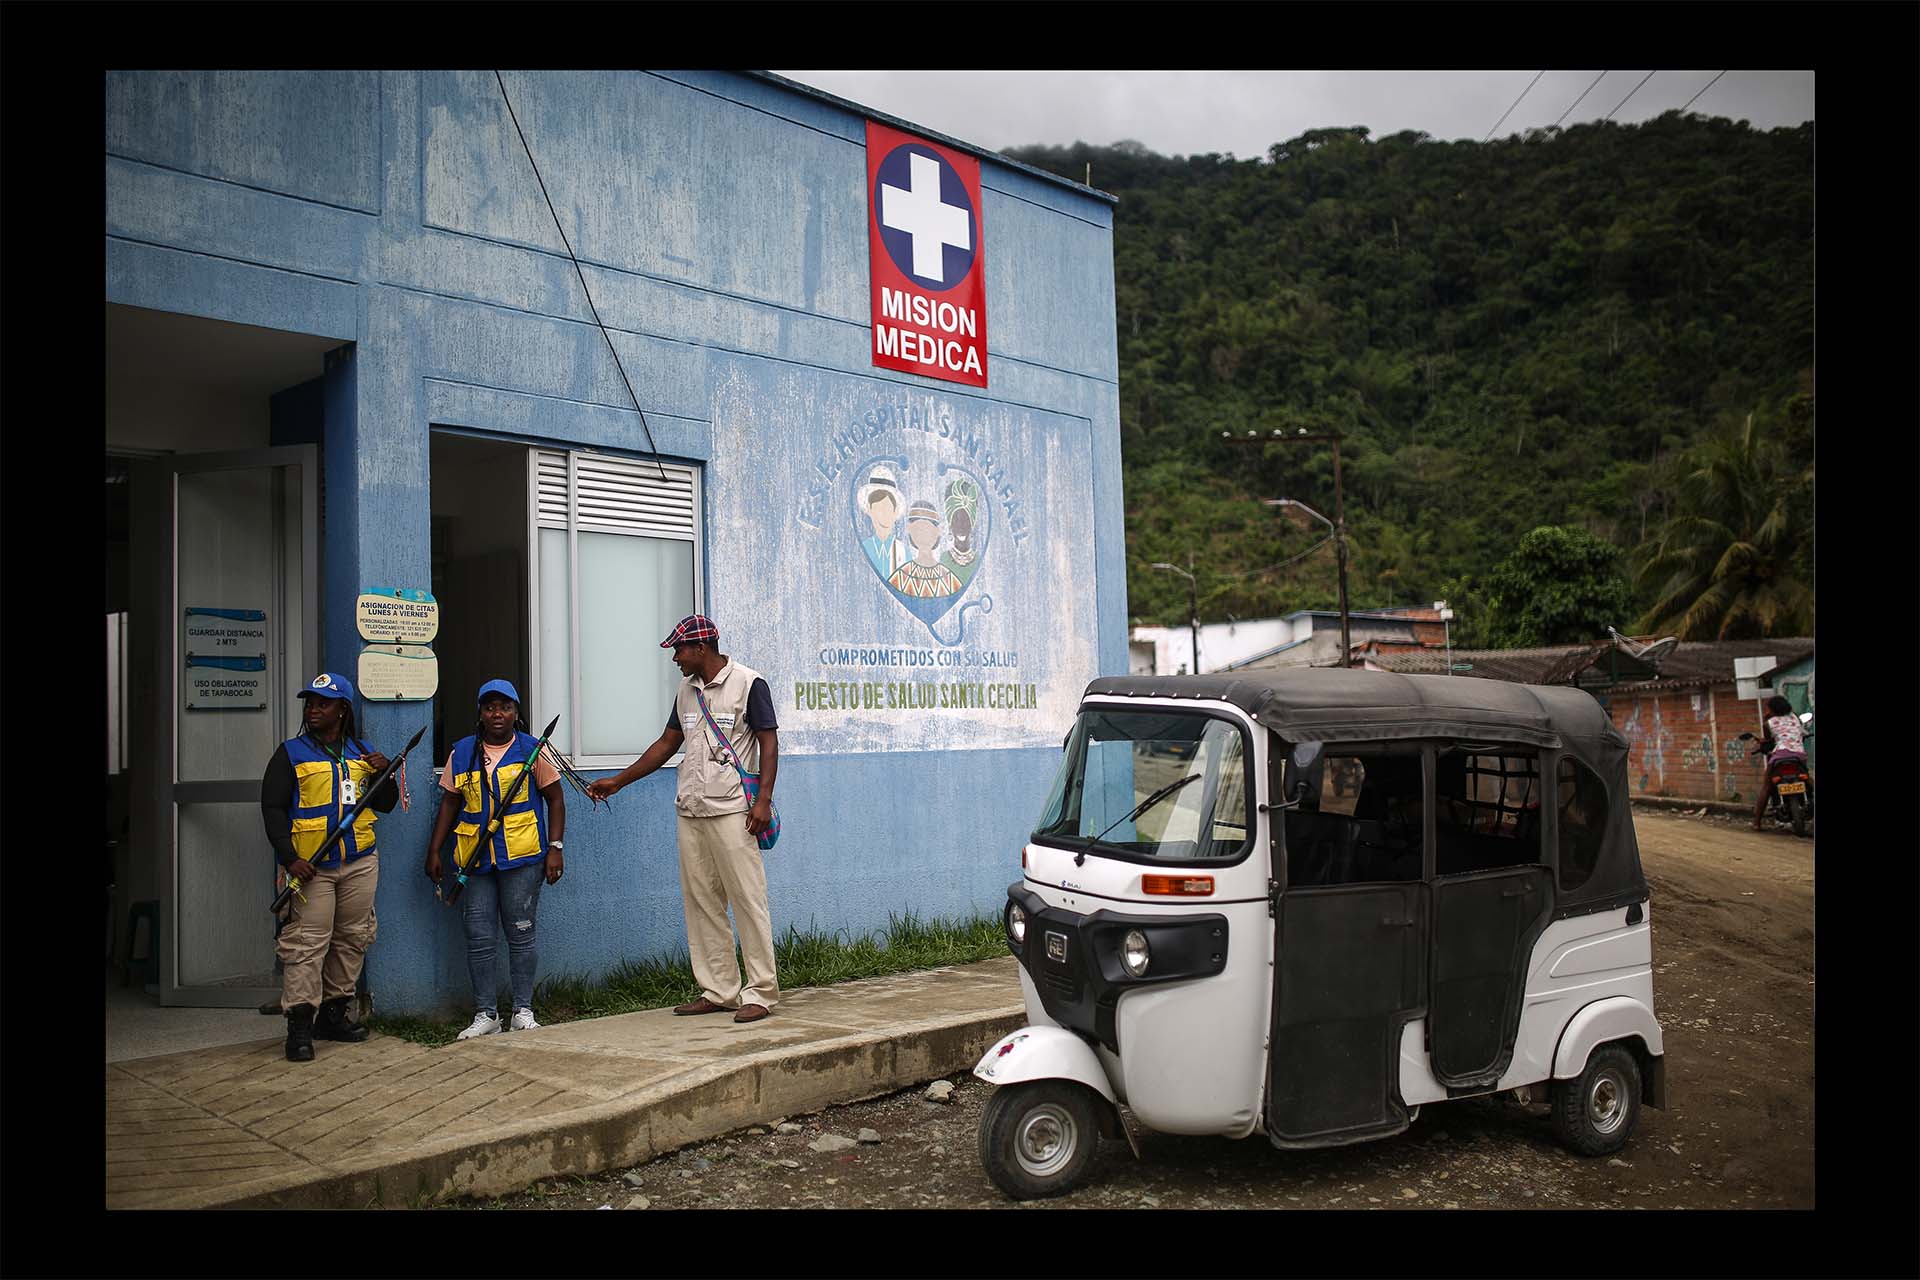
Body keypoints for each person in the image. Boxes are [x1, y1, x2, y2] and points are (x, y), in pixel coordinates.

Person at [587, 615, 780, 1023]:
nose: (675, 658)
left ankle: (760, 992)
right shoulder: (686, 690)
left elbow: (768, 740)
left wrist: (763, 800)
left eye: (679, 650)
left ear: (702, 648)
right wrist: (619, 781)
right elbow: (667, 743)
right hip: (691, 809)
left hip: (733, 810)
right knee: (702, 903)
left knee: (747, 901)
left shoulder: (748, 683)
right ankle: (719, 990)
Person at [259, 672, 396, 1063]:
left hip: (358, 862)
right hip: (309, 868)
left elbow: (384, 803)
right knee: (306, 944)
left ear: (343, 710)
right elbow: (271, 808)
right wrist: (289, 858)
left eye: (323, 703)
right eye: (311, 703)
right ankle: (300, 1025)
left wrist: (382, 770)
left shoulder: (362, 752)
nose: (314, 710)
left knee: (352, 937)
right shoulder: (291, 753)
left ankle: (334, 1015)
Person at [424, 680, 566, 1039]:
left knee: (521, 934)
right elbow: (450, 803)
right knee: (478, 936)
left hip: (522, 859)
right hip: (475, 860)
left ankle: (522, 1010)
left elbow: (556, 800)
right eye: (490, 708)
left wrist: (556, 848)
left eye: (505, 707)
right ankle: (486, 1014)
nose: (497, 714)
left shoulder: (533, 751)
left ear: (517, 713)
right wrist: (434, 849)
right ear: (481, 714)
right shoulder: (464, 751)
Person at [1753, 694, 1810, 830]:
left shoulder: (1768, 723)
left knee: (1767, 786)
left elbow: (1768, 740)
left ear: (1772, 709)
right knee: (1808, 779)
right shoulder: (1795, 717)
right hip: (1798, 756)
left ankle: (1756, 822)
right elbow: (1800, 732)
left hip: (1779, 756)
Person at [888, 499, 963, 598]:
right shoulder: (901, 576)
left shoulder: (949, 579)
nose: (923, 535)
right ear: (910, 530)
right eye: (918, 529)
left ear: (937, 532)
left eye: (928, 529)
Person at [858, 467, 907, 580]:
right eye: (877, 508)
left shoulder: (901, 551)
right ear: (869, 511)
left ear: (895, 512)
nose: (882, 514)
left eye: (887, 508)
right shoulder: (865, 548)